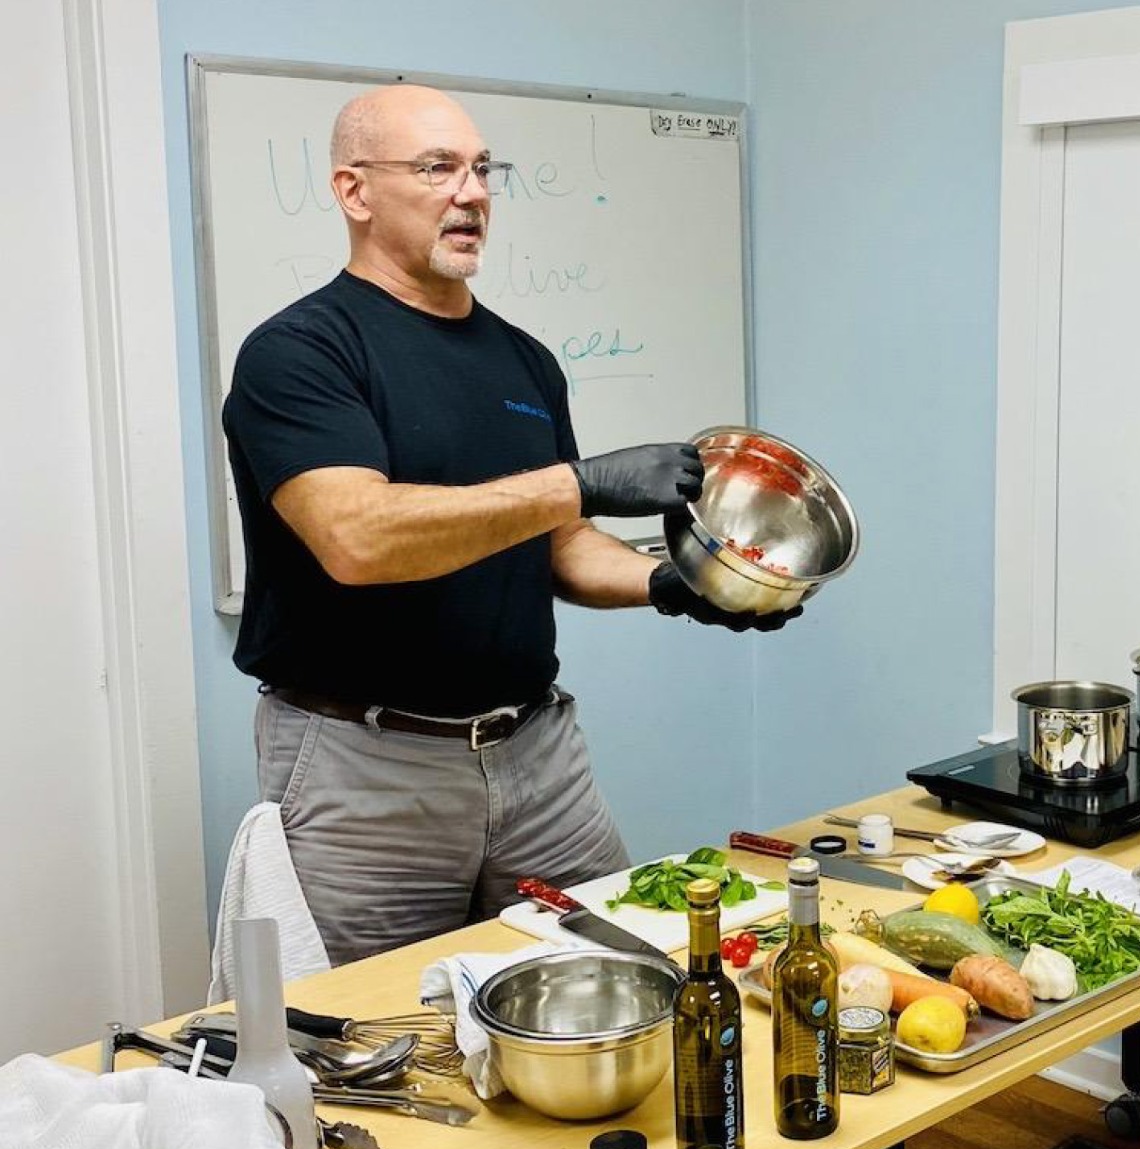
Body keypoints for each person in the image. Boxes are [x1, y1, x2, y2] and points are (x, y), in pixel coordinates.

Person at [222, 84, 797, 966]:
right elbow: (359, 538)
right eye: (436, 168)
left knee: (617, 975)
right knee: (377, 1039)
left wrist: (669, 586)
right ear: (354, 191)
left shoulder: (523, 358)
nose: (473, 192)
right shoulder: (302, 352)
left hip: (536, 756)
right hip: (368, 769)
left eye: (483, 169)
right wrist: (580, 481)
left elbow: (557, 547)